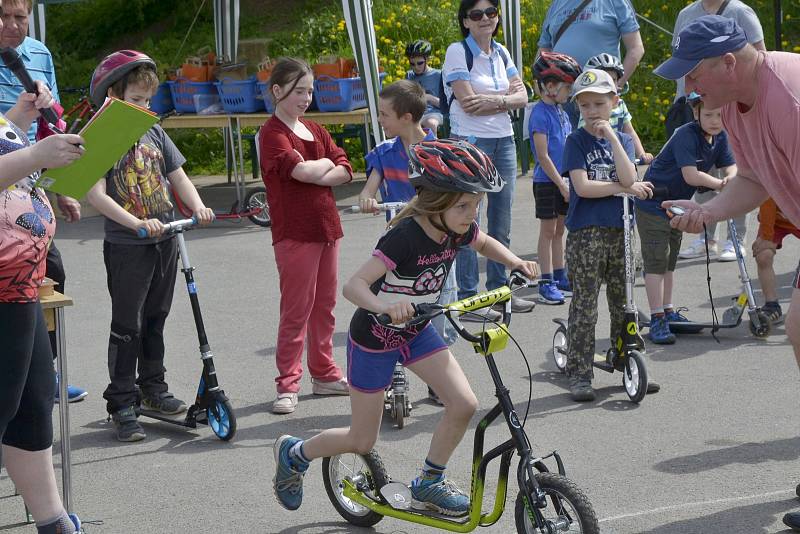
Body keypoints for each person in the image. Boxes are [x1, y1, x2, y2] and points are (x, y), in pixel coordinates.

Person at [272, 139, 539, 515]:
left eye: (476, 205)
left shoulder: (457, 227)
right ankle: (295, 452)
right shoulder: (405, 236)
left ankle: (429, 483)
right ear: (435, 200)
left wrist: (514, 261)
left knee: (463, 404)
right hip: (376, 338)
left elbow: (483, 243)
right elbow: (354, 286)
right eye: (464, 205)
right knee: (362, 440)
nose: (471, 214)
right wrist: (385, 306)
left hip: (416, 329)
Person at [653, 15, 800, 530]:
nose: (689, 87)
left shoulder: (790, 100)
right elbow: (756, 178)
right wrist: (708, 212)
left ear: (729, 62)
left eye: (694, 75)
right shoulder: (734, 106)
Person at [85, 50, 214, 442]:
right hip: (128, 245)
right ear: (112, 96)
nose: (144, 107)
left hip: (165, 240)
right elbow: (95, 195)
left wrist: (198, 206)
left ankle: (153, 388)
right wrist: (135, 222)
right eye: (136, 100)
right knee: (128, 325)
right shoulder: (104, 136)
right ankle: (122, 400)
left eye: (147, 101)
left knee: (156, 317)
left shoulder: (155, 132)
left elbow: (178, 176)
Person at [0, 59, 85, 532]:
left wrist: (19, 118)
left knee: (32, 410)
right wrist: (37, 156)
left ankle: (55, 523)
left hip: (22, 285)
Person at [0, 0, 88, 403]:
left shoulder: (37, 54)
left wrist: (60, 186)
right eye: (2, 15)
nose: (12, 25)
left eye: (20, 17)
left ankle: (40, 376)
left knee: (51, 276)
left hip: (28, 198)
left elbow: (46, 127)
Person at [260, 57, 352, 415]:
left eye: (310, 91)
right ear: (277, 91)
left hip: (327, 228)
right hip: (294, 233)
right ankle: (287, 383)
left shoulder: (316, 129)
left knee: (325, 307)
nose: (306, 97)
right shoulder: (272, 134)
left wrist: (322, 169)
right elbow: (298, 171)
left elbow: (344, 167)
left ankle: (324, 373)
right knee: (296, 311)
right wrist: (322, 167)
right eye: (299, 91)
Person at [561, 69, 658, 402]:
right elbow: (584, 188)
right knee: (586, 305)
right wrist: (624, 188)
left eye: (599, 104)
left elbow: (630, 173)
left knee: (625, 302)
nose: (592, 112)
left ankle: (626, 359)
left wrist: (615, 139)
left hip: (621, 232)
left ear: (614, 103)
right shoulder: (576, 142)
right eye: (585, 105)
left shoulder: (625, 140)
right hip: (587, 234)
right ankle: (579, 372)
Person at [357, 79, 454, 404]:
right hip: (400, 249)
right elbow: (369, 189)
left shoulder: (437, 152)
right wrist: (368, 198)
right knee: (395, 305)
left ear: (407, 117)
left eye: (385, 114)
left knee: (436, 306)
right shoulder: (385, 153)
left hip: (436, 246)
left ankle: (437, 376)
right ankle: (394, 368)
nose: (380, 120)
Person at [443, 0, 534, 319]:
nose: (485, 19)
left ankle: (499, 292)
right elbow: (468, 103)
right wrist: (508, 101)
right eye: (477, 15)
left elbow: (524, 97)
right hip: (471, 141)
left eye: (491, 13)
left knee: (502, 218)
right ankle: (469, 298)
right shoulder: (458, 51)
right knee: (468, 218)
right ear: (465, 21)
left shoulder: (503, 53)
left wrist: (496, 101)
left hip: (503, 140)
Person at [635, 93, 735, 345]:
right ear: (696, 113)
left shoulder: (720, 136)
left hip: (677, 205)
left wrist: (731, 178)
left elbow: (730, 165)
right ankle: (657, 317)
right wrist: (721, 184)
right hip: (652, 202)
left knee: (669, 262)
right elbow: (691, 176)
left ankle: (668, 311)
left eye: (720, 115)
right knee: (656, 263)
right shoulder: (685, 135)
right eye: (709, 114)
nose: (715, 120)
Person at [671, 0, 765, 262]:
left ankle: (736, 241)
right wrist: (682, 101)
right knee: (709, 175)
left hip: (731, 109)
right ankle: (706, 237)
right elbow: (681, 65)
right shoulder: (685, 14)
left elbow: (759, 59)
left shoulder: (740, 12)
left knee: (735, 172)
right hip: (702, 107)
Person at [537, 0, 644, 128]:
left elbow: (636, 48)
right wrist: (543, 89)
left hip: (600, 99)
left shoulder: (616, 2)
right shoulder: (556, 4)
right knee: (562, 147)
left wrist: (615, 85)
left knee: (605, 145)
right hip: (562, 98)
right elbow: (543, 51)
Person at [529, 51, 581, 304]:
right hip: (548, 182)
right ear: (550, 86)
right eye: (567, 87)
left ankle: (560, 275)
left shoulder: (561, 110)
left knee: (560, 230)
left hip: (564, 180)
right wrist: (561, 184)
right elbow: (542, 155)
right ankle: (546, 280)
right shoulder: (539, 113)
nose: (570, 93)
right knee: (548, 231)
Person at [579, 53, 653, 164]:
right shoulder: (590, 109)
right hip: (596, 156)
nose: (609, 84)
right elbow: (585, 137)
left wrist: (641, 154)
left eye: (613, 80)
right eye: (604, 79)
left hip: (618, 154)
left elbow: (630, 132)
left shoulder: (620, 104)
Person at [752, 199, 800, 325]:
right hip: (777, 220)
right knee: (763, 255)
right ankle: (771, 305)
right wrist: (766, 236)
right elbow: (766, 199)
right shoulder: (774, 179)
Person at [404, 40, 444, 133]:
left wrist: (429, 98)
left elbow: (446, 105)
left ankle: (432, 147)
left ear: (428, 59)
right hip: (415, 114)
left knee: (431, 123)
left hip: (433, 113)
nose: (416, 67)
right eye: (412, 64)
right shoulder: (409, 76)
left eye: (420, 63)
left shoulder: (438, 75)